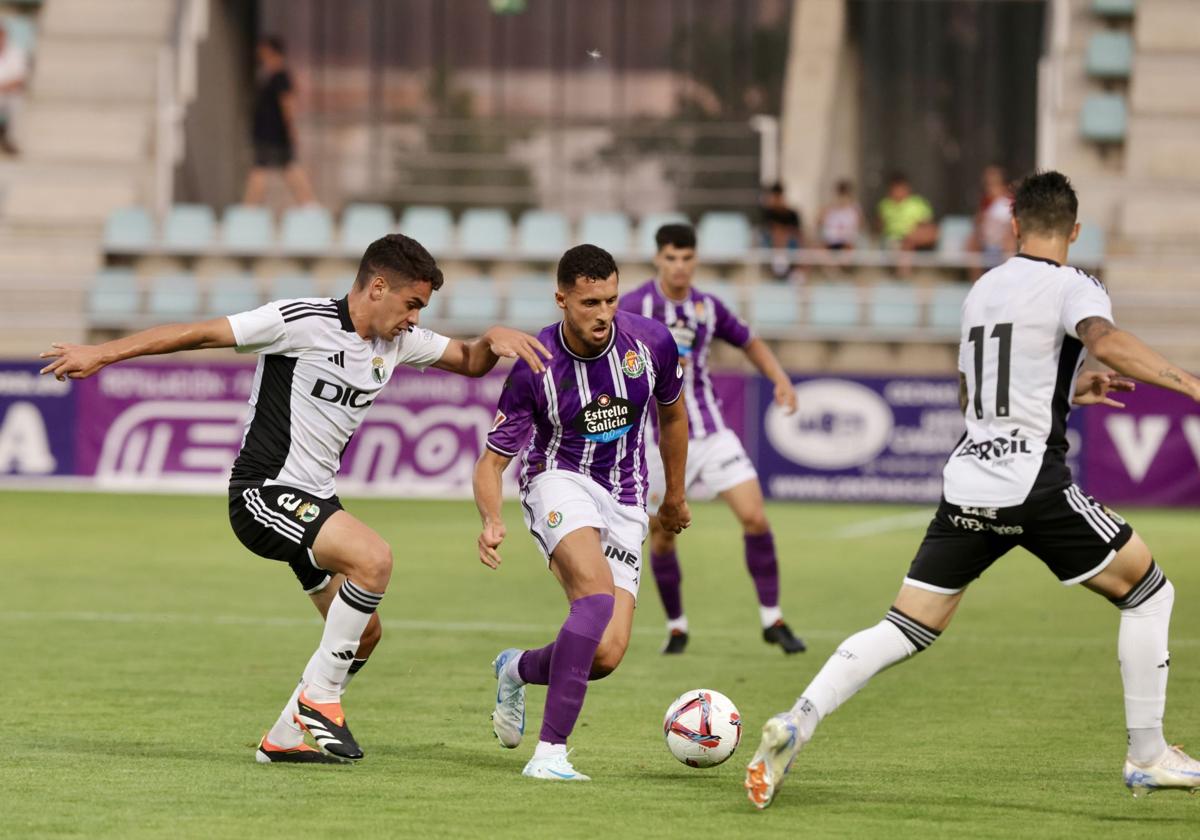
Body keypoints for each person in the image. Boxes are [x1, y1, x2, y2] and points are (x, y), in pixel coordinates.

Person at [744, 170, 1200, 809]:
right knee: (1150, 592)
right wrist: (1186, 382)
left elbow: (972, 394)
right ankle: (1148, 754)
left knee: (905, 625)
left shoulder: (982, 290)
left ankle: (798, 719)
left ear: (1013, 227)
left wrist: (1070, 389)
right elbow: (1106, 341)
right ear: (1074, 229)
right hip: (1033, 484)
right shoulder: (1074, 285)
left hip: (968, 485)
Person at [40, 234, 550, 765]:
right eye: (412, 304)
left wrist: (492, 338)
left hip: (316, 502)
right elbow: (201, 332)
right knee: (374, 558)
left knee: (364, 634)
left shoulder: (396, 341)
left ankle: (283, 736)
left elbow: (469, 360)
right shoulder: (300, 321)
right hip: (263, 493)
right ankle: (320, 699)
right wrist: (104, 352)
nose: (416, 318)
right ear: (378, 287)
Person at [474, 244, 691, 781]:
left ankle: (517, 668)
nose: (603, 314)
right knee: (593, 599)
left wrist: (676, 496)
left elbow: (674, 419)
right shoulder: (535, 365)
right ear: (562, 299)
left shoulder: (651, 343)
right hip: (558, 480)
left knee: (608, 653)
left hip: (627, 496)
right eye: (590, 302)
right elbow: (492, 460)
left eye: (611, 300)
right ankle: (550, 754)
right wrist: (491, 518)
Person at [620, 224, 805, 655]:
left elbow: (749, 341)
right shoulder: (634, 306)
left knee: (755, 518)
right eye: (671, 258)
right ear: (657, 260)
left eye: (686, 258)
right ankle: (677, 626)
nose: (679, 267)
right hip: (656, 439)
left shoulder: (708, 307)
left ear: (695, 260)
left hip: (710, 431)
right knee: (663, 536)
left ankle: (772, 619)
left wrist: (779, 379)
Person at [242, 36, 316, 206]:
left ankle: (250, 208)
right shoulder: (270, 75)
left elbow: (287, 103)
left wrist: (291, 130)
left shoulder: (281, 76)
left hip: (275, 134)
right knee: (283, 169)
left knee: (269, 169)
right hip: (267, 133)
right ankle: (308, 204)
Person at [972, 164, 1016, 266]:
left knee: (1009, 243)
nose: (989, 188)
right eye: (987, 184)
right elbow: (978, 226)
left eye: (993, 184)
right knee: (972, 244)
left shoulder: (1008, 203)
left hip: (1002, 245)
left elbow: (1012, 227)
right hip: (986, 244)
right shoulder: (985, 204)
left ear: (1004, 185)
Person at [760, 183, 803, 279]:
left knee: (801, 238)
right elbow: (768, 228)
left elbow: (797, 231)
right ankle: (780, 264)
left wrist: (786, 231)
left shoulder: (791, 213)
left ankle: (800, 270)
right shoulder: (768, 213)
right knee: (778, 233)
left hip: (790, 240)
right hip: (773, 241)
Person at [0, 23, 29, 156]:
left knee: (17, 103)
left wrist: (3, 87)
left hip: (10, 94)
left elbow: (20, 79)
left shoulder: (16, 52)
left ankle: (12, 140)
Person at [818, 179, 863, 251]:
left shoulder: (854, 208)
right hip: (831, 241)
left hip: (847, 241)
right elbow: (820, 221)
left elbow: (859, 225)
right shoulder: (829, 208)